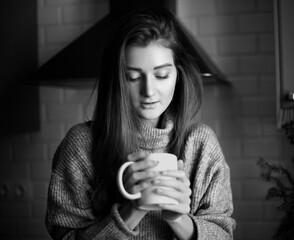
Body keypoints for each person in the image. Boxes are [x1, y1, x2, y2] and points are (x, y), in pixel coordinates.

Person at [45, 8, 235, 240]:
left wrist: (178, 219)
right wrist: (132, 210)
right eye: (133, 77)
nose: (148, 91)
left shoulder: (201, 144)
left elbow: (224, 234)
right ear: (116, 80)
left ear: (178, 74)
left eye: (162, 75)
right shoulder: (82, 145)